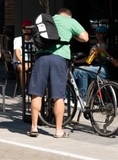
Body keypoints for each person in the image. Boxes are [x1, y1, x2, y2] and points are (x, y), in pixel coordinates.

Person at [28, 8, 89, 138]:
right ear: (69, 15)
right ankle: (59, 130)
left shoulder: (49, 20)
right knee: (58, 96)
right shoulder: (70, 21)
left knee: (36, 93)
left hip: (41, 58)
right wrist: (73, 36)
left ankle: (33, 127)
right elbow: (85, 37)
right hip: (59, 59)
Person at [74, 24, 118, 99]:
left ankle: (82, 99)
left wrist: (103, 52)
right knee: (77, 70)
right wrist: (99, 54)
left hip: (110, 71)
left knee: (81, 71)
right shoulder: (117, 45)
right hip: (103, 66)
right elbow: (105, 57)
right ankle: (73, 97)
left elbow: (116, 63)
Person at [12, 19, 36, 90]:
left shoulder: (34, 40)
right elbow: (17, 54)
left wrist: (30, 63)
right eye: (24, 28)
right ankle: (24, 90)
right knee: (23, 68)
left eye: (28, 28)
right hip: (19, 62)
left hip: (31, 62)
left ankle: (34, 90)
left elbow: (35, 54)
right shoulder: (17, 39)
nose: (26, 30)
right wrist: (24, 63)